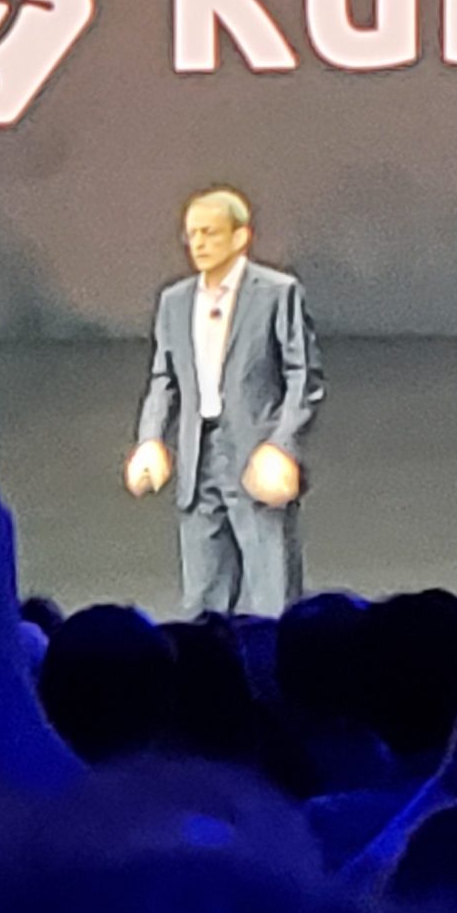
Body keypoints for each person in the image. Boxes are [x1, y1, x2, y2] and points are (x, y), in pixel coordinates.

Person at [125, 188, 324, 619]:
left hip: (254, 453)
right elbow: (164, 378)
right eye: (192, 234)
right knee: (203, 595)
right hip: (199, 459)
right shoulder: (175, 301)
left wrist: (281, 445)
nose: (198, 243)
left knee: (271, 591)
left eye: (210, 233)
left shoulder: (276, 293)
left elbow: (303, 377)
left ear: (240, 237)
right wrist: (150, 438)